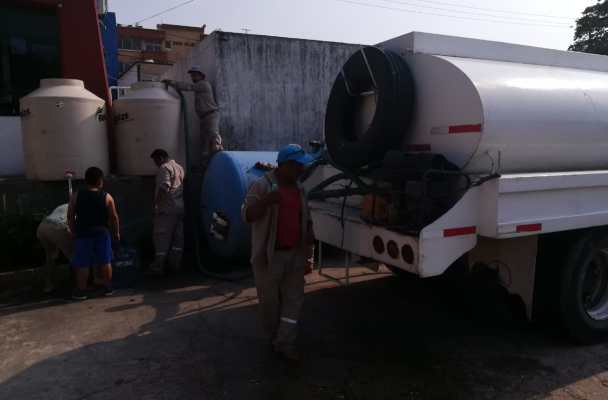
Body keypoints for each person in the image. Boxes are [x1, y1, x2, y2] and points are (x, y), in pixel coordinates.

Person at [241, 144, 315, 362]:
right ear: (284, 165)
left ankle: (285, 342)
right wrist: (266, 201)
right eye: (298, 166)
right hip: (270, 258)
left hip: (295, 255)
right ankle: (274, 337)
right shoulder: (262, 186)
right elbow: (246, 215)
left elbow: (306, 220)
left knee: (294, 300)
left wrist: (309, 254)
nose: (302, 169)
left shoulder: (300, 189)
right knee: (270, 304)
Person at [67, 167, 120, 300]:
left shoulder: (76, 195)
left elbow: (70, 215)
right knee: (105, 260)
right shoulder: (107, 197)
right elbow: (114, 217)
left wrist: (73, 231)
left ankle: (81, 291)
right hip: (102, 233)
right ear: (100, 180)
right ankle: (107, 287)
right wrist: (116, 232)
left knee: (83, 263)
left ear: (86, 180)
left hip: (82, 233)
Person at [164, 66, 223, 157]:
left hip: (211, 115)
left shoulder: (203, 84)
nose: (193, 77)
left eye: (195, 75)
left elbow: (188, 87)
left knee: (213, 138)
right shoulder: (199, 86)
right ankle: (208, 162)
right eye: (192, 76)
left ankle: (221, 157)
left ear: (201, 76)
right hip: (204, 117)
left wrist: (172, 83)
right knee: (205, 143)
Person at [148, 149, 185, 275]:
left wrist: (156, 204)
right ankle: (175, 265)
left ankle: (158, 267)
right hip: (179, 208)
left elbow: (165, 187)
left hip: (166, 209)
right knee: (177, 239)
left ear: (161, 158)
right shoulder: (179, 167)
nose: (156, 164)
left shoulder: (164, 168)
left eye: (156, 161)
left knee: (161, 237)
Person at [37, 204, 73, 293]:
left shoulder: (64, 205)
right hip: (58, 227)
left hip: (43, 227)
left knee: (50, 257)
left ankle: (48, 285)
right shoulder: (78, 205)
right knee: (74, 256)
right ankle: (77, 286)